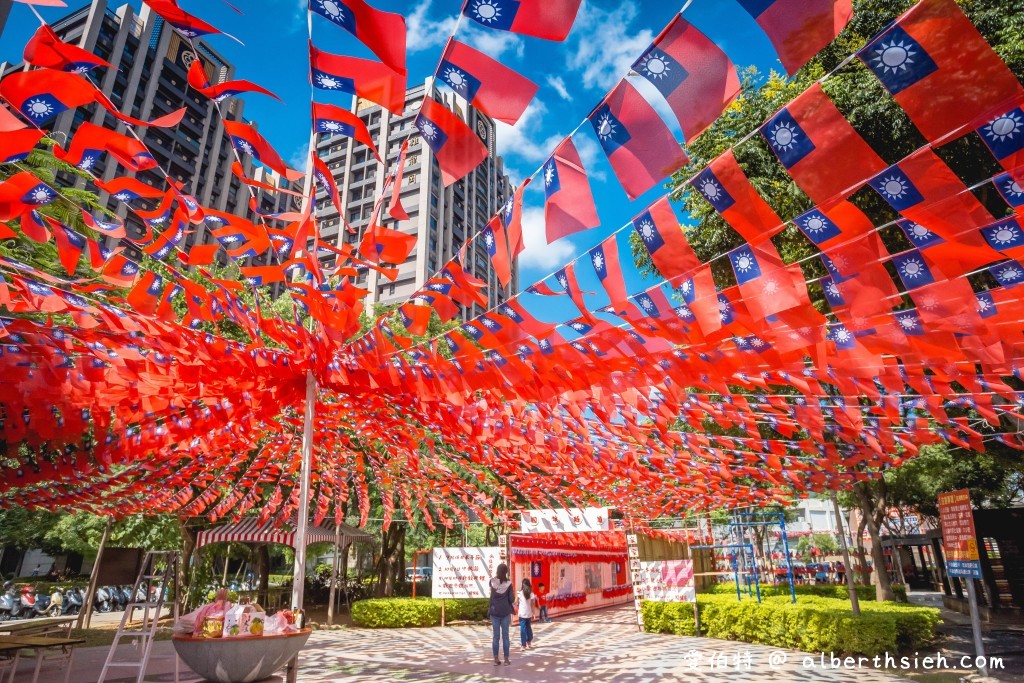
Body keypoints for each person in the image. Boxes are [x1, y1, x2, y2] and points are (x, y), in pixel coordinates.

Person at [488, 563, 514, 666]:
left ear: (497, 571)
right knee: (505, 636)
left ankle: (495, 659)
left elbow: (492, 595)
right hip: (505, 612)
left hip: (494, 612)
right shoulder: (509, 584)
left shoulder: (492, 582)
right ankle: (506, 659)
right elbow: (511, 599)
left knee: (496, 636)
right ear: (506, 572)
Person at [515, 578, 538, 650]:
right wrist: (533, 613)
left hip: (522, 614)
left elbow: (515, 602)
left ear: (522, 585)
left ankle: (524, 644)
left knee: (523, 629)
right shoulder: (531, 594)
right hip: (528, 614)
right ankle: (527, 642)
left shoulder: (520, 593)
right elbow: (532, 605)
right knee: (528, 628)